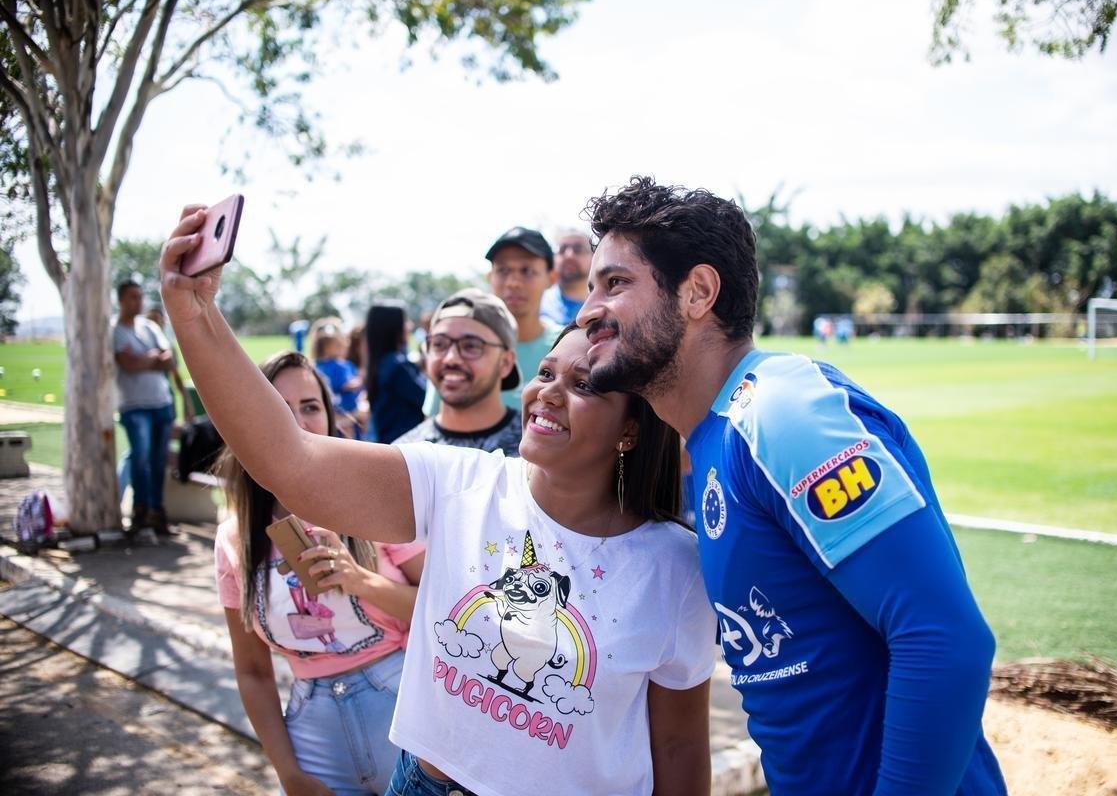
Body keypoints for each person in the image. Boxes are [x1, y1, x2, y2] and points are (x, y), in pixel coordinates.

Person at [158, 207, 715, 796]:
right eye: (548, 373)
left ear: (631, 429)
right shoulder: (458, 482)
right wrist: (193, 313)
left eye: (583, 385)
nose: (548, 394)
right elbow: (290, 462)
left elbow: (678, 747)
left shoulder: (675, 567)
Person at [574, 176, 1006, 796]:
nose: (588, 311)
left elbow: (945, 640)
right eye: (592, 287)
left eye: (615, 283)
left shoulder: (780, 413)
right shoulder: (715, 436)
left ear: (698, 293)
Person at [215, 350, 424, 795]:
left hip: (403, 707)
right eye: (275, 406)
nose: (295, 422)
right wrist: (287, 772)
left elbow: (446, 612)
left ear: (329, 418)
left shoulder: (376, 499)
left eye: (309, 407)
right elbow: (252, 671)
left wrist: (359, 580)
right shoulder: (235, 537)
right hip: (312, 729)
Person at [424, 228, 562, 417]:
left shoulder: (564, 348)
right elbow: (435, 422)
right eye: (503, 270)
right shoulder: (458, 347)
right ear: (490, 277)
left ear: (551, 278)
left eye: (527, 271)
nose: (513, 282)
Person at [396, 289, 523, 457]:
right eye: (439, 344)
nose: (451, 359)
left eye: (471, 346)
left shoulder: (536, 451)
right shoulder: (406, 457)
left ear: (505, 362)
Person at [112, 280, 177, 536]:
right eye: (132, 297)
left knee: (158, 461)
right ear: (120, 300)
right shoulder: (115, 331)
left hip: (161, 403)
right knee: (140, 458)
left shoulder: (149, 327)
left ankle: (157, 512)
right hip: (134, 406)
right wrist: (152, 358)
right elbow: (127, 364)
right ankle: (140, 512)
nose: (137, 302)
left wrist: (144, 359)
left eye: (140, 296)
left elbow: (169, 359)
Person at [364, 301, 427, 444]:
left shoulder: (379, 362)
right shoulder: (398, 366)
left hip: (388, 440)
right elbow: (426, 399)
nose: (409, 325)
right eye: (405, 321)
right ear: (393, 327)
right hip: (403, 444)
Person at [540, 228, 593, 325]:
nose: (569, 255)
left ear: (594, 257)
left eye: (578, 250)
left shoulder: (602, 306)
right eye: (562, 249)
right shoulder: (536, 305)